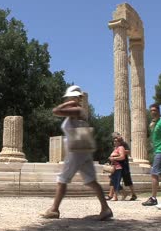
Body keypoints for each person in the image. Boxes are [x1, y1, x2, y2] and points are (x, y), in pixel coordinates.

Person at [41, 85, 112, 220]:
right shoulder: (80, 111)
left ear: (73, 97)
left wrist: (69, 102)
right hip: (83, 150)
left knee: (62, 180)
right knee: (91, 181)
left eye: (69, 97)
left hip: (75, 151)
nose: (67, 99)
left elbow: (56, 111)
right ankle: (105, 208)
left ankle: (54, 209)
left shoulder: (77, 110)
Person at [142, 103, 161, 206]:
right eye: (151, 111)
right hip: (157, 150)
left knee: (154, 173)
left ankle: (153, 198)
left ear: (158, 111)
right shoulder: (155, 123)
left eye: (154, 110)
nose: (153, 112)